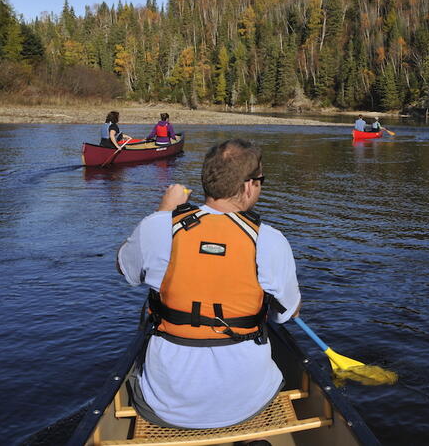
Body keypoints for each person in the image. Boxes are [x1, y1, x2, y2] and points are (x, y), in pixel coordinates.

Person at [117, 139, 301, 429]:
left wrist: (163, 211)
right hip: (249, 402)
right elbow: (287, 314)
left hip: (164, 404)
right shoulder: (271, 240)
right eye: (261, 180)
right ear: (249, 185)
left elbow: (124, 269)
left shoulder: (159, 225)